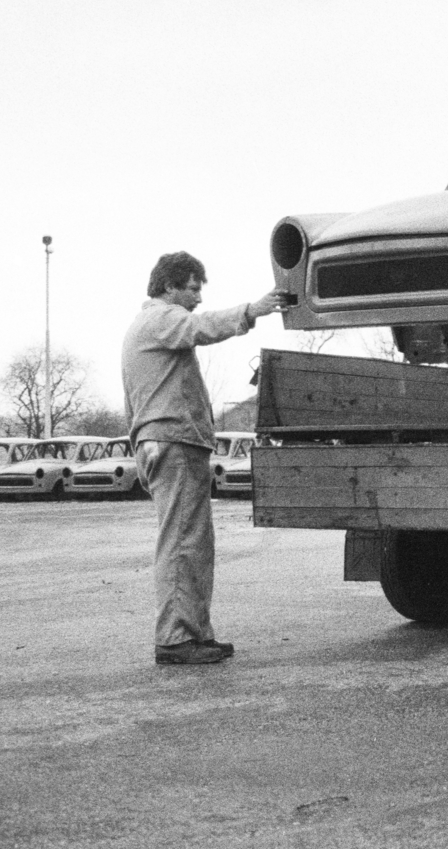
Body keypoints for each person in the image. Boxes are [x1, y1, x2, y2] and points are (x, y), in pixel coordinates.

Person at [122, 252, 286, 665]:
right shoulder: (159, 318)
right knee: (181, 542)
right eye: (192, 288)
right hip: (173, 442)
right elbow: (200, 327)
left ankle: (192, 634)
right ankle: (176, 639)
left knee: (192, 543)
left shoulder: (151, 326)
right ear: (169, 286)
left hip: (174, 442)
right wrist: (252, 311)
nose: (197, 297)